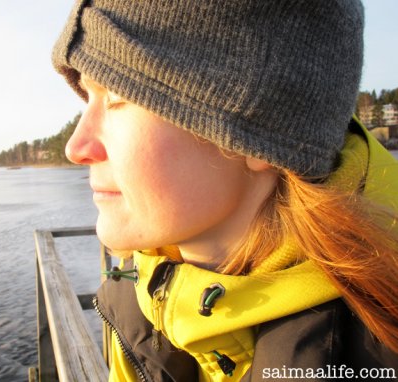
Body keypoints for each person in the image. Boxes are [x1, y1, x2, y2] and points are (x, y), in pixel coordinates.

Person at [52, 0, 398, 380]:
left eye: (118, 97)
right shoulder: (141, 297)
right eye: (88, 97)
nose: (76, 147)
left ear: (259, 132)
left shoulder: (379, 349)